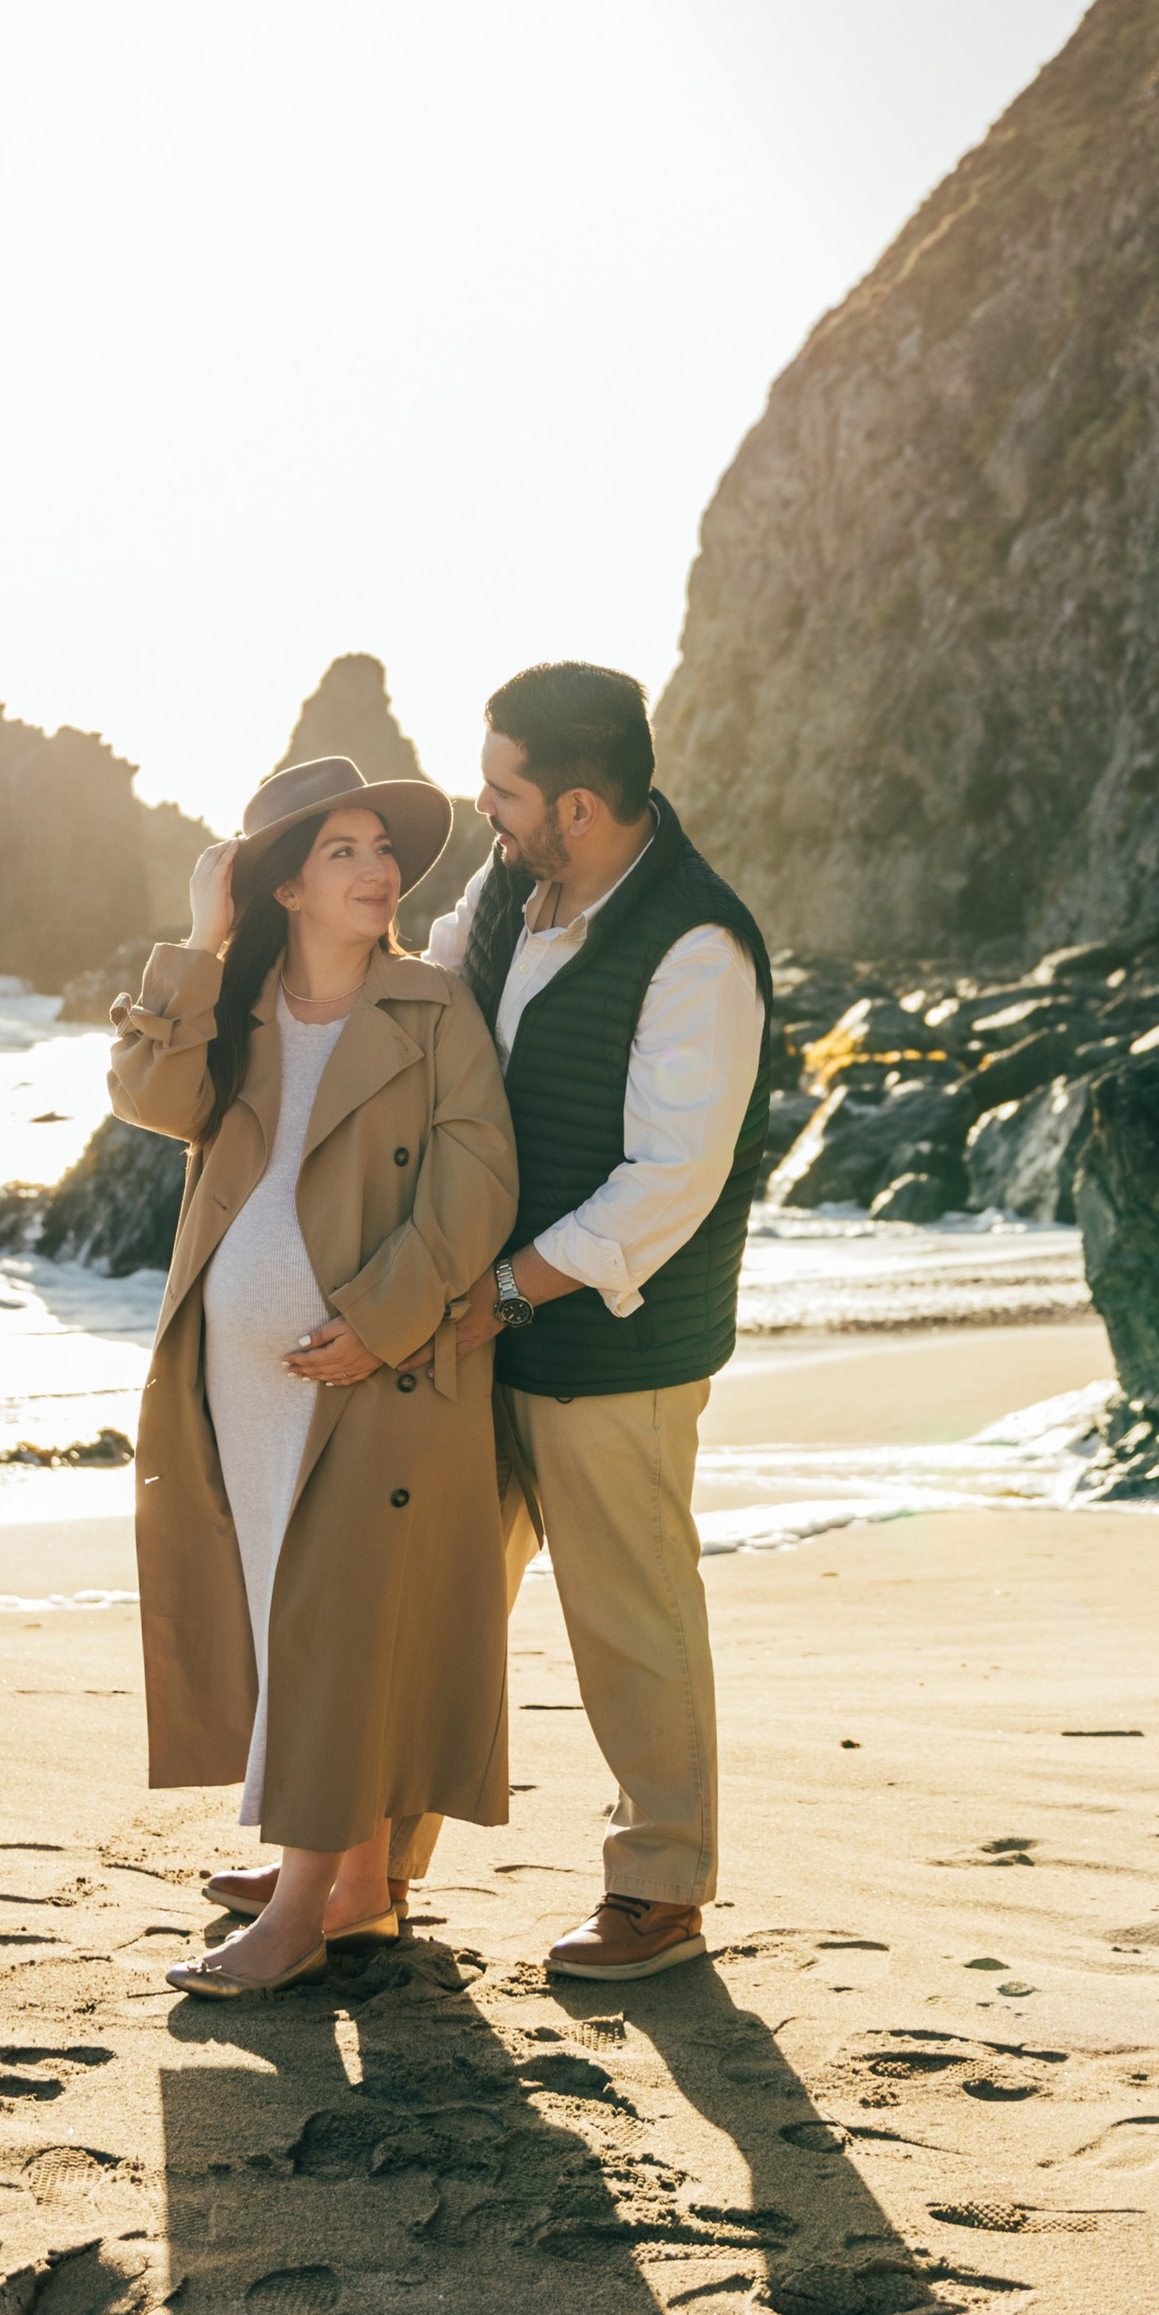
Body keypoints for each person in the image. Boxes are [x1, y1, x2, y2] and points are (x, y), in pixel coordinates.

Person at [106, 755, 518, 1995]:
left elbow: (477, 1184)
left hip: (378, 1373)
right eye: (342, 850)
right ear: (283, 886)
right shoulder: (234, 1012)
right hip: (241, 1380)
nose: (378, 870)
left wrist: (382, 1323)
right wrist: (199, 939)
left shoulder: (434, 1009)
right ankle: (351, 1884)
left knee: (334, 1619)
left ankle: (295, 1912)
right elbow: (146, 1094)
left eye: (383, 850)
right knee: (291, 1609)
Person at [417, 657, 773, 1983]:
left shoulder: (696, 948)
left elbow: (668, 1180)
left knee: (630, 1617)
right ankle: (365, 1870)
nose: (485, 810)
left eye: (503, 790)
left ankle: (660, 1890)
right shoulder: (505, 889)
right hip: (479, 1319)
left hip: (615, 1343)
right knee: (436, 1595)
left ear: (575, 804)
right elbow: (429, 1002)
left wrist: (508, 1289)